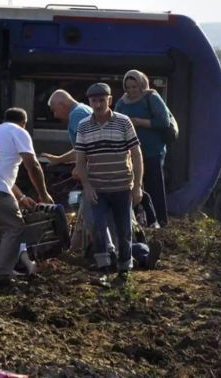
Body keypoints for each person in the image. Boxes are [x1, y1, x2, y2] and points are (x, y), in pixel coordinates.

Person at [75, 83, 144, 287]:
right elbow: (80, 159)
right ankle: (103, 269)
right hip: (98, 188)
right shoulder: (84, 126)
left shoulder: (123, 122)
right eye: (94, 101)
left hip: (122, 186)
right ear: (89, 102)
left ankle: (124, 269)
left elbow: (136, 154)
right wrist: (87, 186)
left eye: (101, 100)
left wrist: (138, 185)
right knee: (97, 226)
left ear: (109, 100)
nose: (97, 104)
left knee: (124, 229)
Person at [0, 108, 53, 286]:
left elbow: (1, 172)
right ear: (24, 123)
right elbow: (33, 165)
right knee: (15, 227)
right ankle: (2, 274)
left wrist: (22, 197)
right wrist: (43, 194)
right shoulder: (19, 131)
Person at [114, 70, 171, 228]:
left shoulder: (151, 97)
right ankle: (137, 221)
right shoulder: (122, 102)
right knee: (133, 186)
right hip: (131, 151)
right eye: (128, 87)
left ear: (141, 85)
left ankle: (160, 221)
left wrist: (139, 122)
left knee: (154, 186)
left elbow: (163, 121)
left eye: (135, 87)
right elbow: (116, 120)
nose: (131, 90)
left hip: (152, 150)